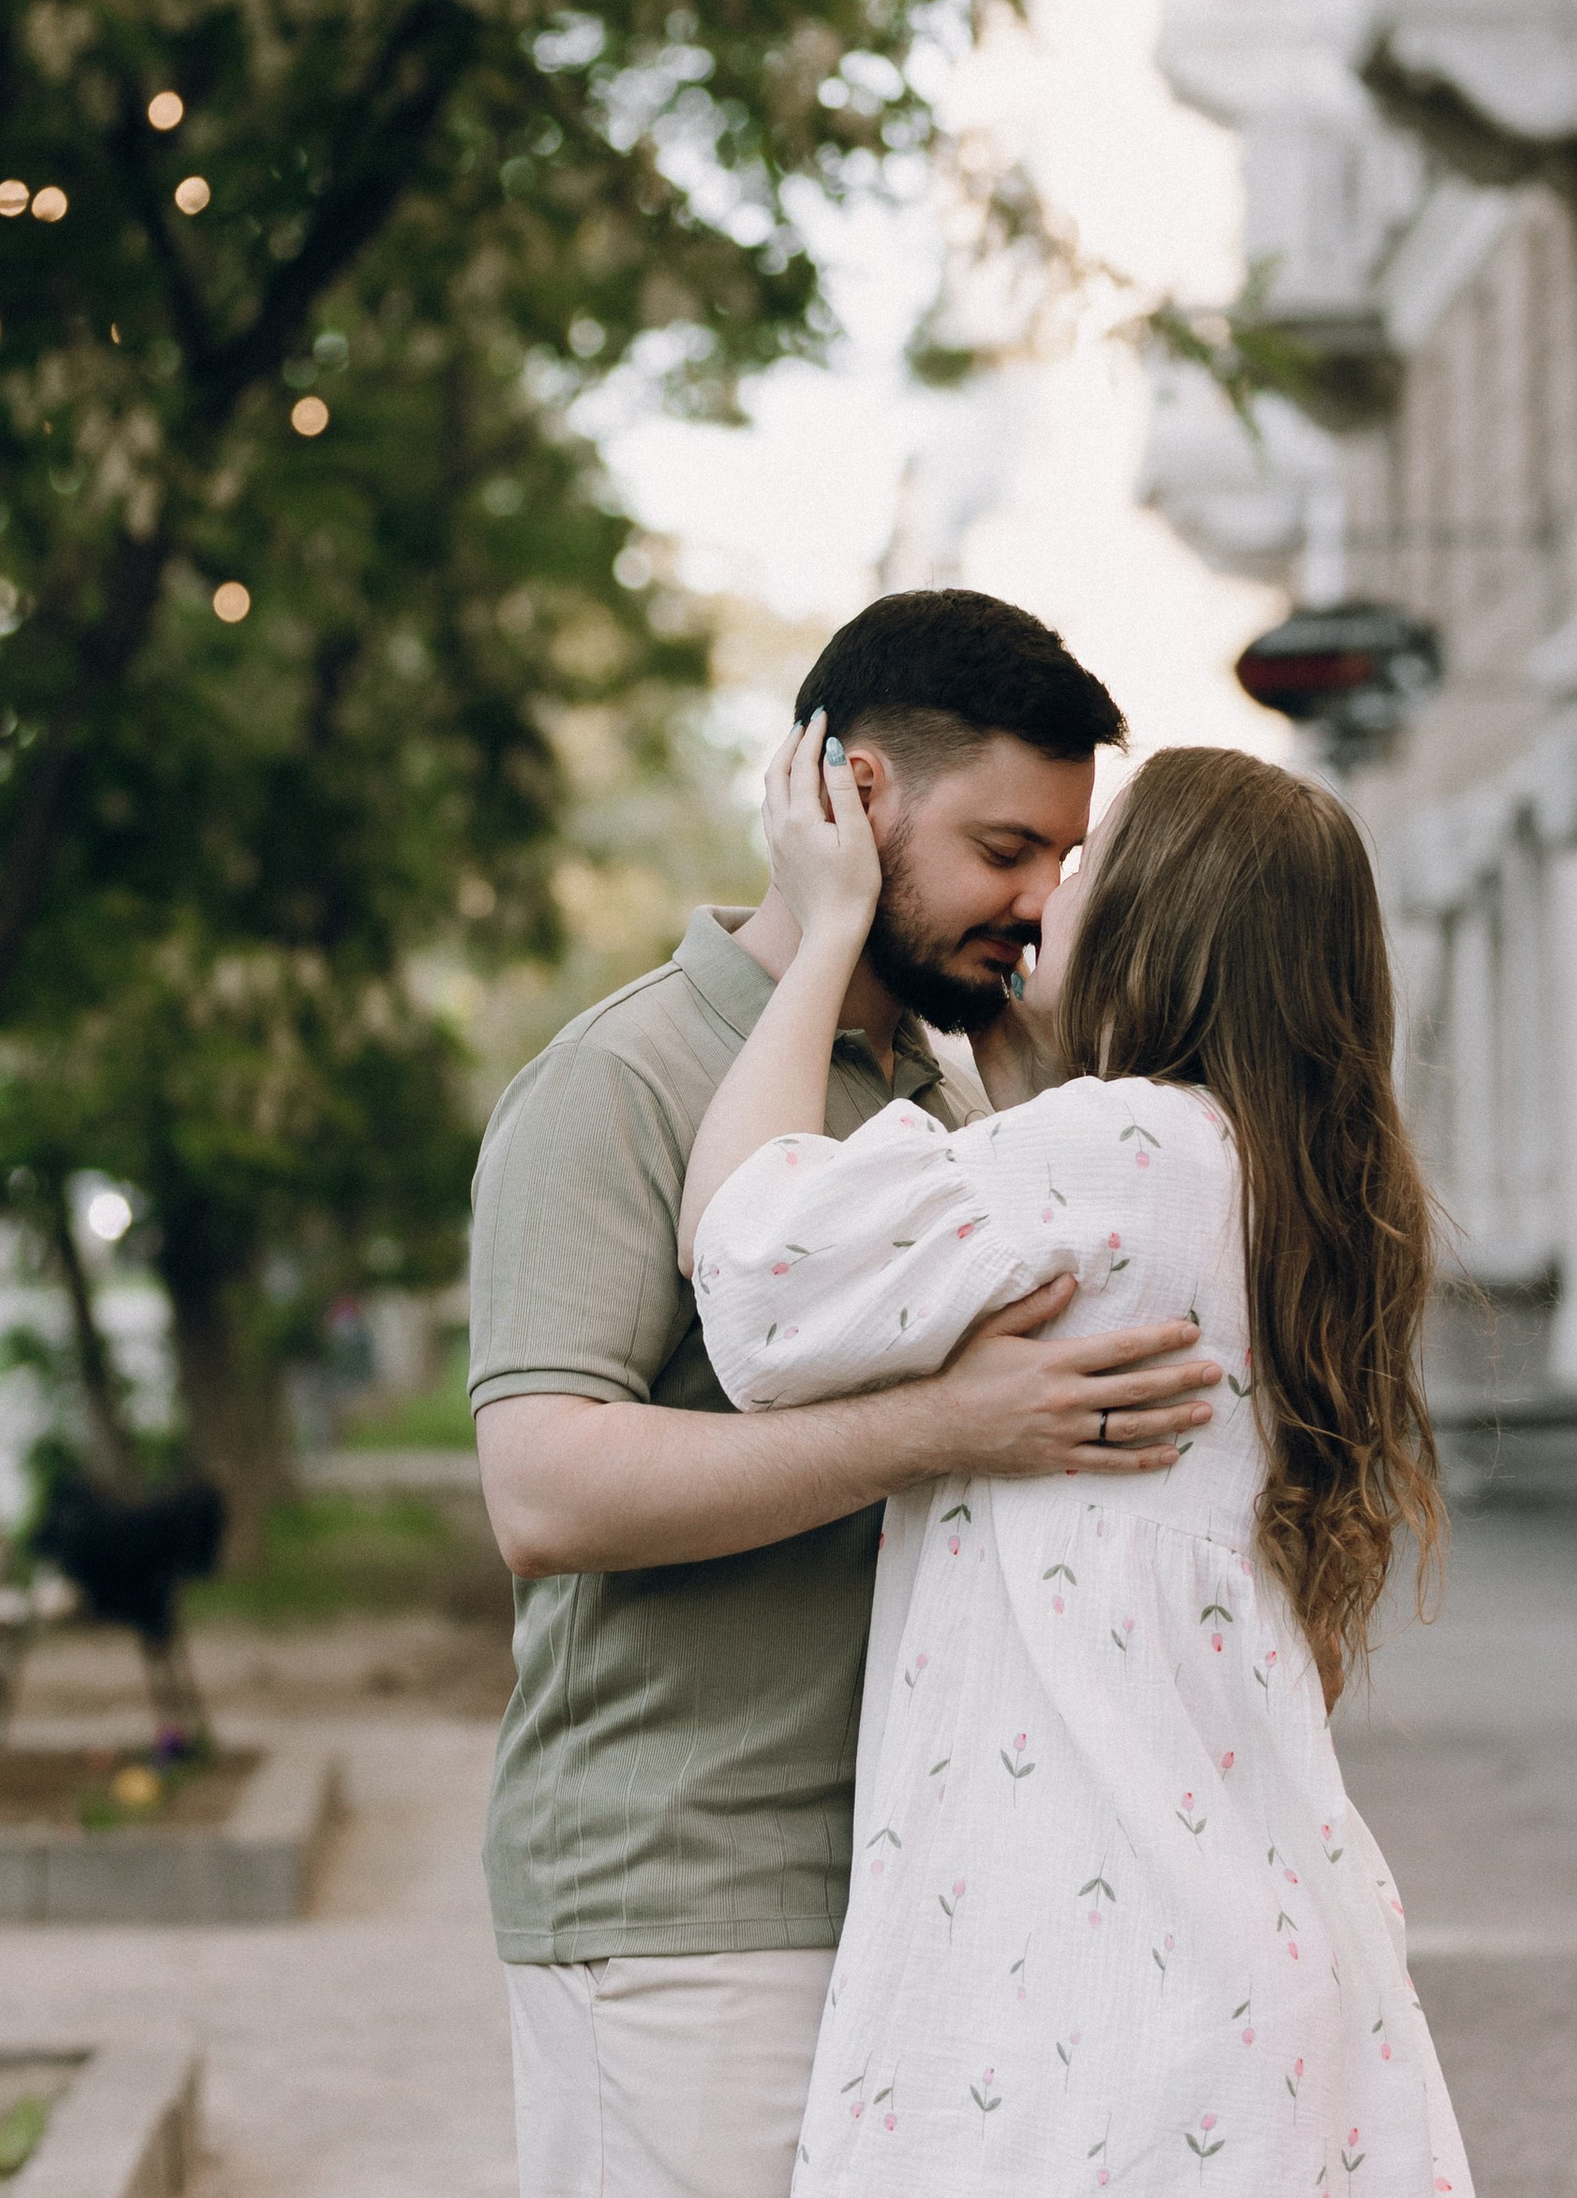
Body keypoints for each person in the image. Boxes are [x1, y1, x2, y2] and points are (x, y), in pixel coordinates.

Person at [470, 591, 1228, 2198]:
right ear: (851, 800)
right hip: (684, 1895)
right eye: (1005, 851)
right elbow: (544, 1492)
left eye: (1063, 866)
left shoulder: (947, 1095)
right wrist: (942, 1428)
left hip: (920, 1889)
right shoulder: (627, 1081)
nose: (1035, 904)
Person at [680, 726, 1472, 2198]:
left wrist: (824, 930)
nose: (1045, 891)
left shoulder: (1115, 1150)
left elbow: (751, 1275)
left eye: (1084, 862)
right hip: (1241, 1953)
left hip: (1094, 1983)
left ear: (1162, 922)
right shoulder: (1270, 1179)